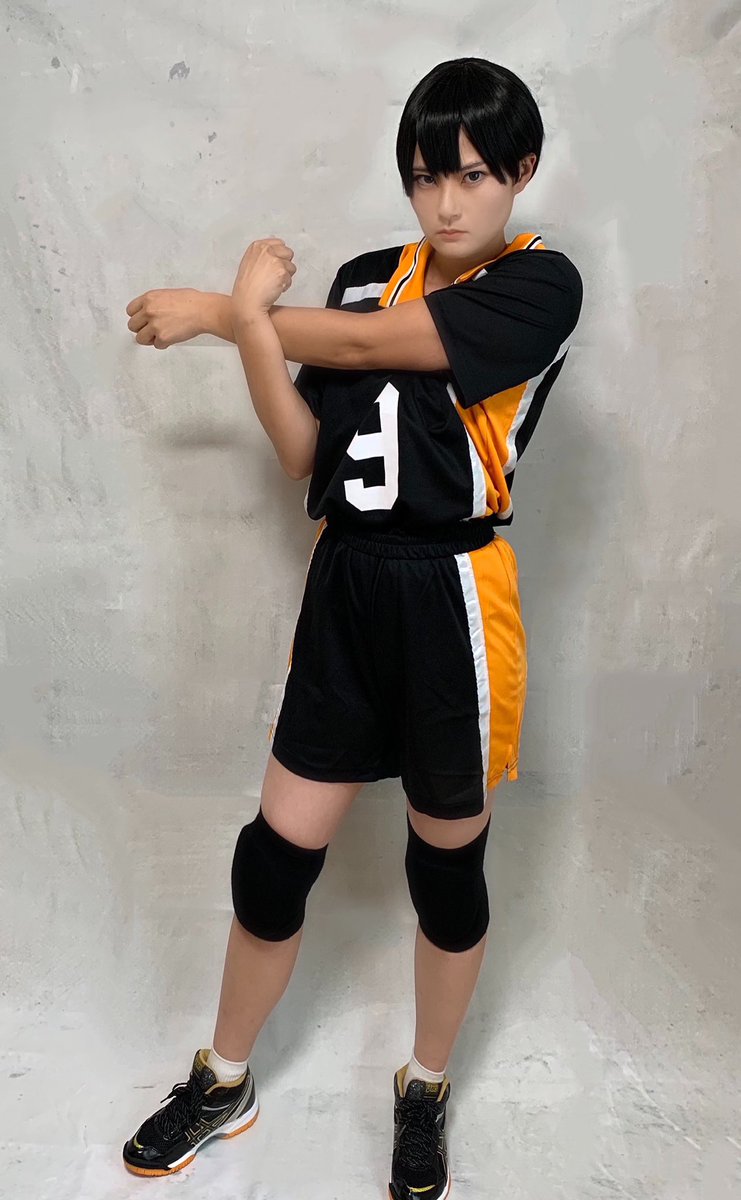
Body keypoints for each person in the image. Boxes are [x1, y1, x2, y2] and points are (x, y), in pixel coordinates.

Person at [122, 56, 583, 1200]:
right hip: (348, 586)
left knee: (448, 871)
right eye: (427, 178)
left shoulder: (540, 283)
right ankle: (225, 1078)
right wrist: (257, 336)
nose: (448, 203)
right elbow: (302, 455)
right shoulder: (368, 278)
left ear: (521, 170)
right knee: (273, 857)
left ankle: (425, 1084)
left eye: (473, 175)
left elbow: (377, 349)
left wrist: (227, 312)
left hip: (453, 598)